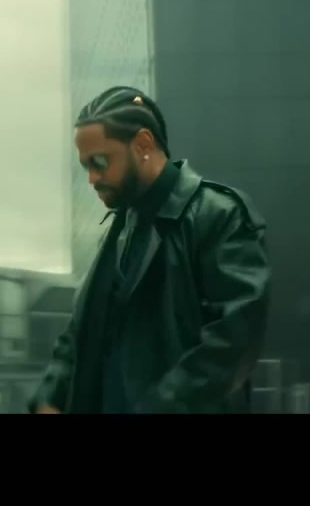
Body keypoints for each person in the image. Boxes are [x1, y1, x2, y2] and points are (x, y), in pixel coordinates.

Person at [31, 87, 270, 414]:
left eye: (100, 162)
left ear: (143, 144)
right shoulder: (118, 231)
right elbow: (81, 331)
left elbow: (233, 341)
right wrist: (51, 396)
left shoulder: (218, 215)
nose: (92, 178)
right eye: (86, 166)